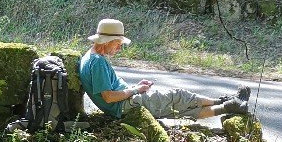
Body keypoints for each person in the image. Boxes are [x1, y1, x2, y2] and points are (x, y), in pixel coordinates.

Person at [78, 18, 251, 122]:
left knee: (181, 111)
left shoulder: (90, 57)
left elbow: (109, 93)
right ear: (107, 41)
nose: (118, 48)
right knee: (179, 96)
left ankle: (229, 106)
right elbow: (109, 97)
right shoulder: (97, 62)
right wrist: (136, 90)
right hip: (125, 106)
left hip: (125, 104)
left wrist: (135, 89)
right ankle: (224, 100)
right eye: (118, 43)